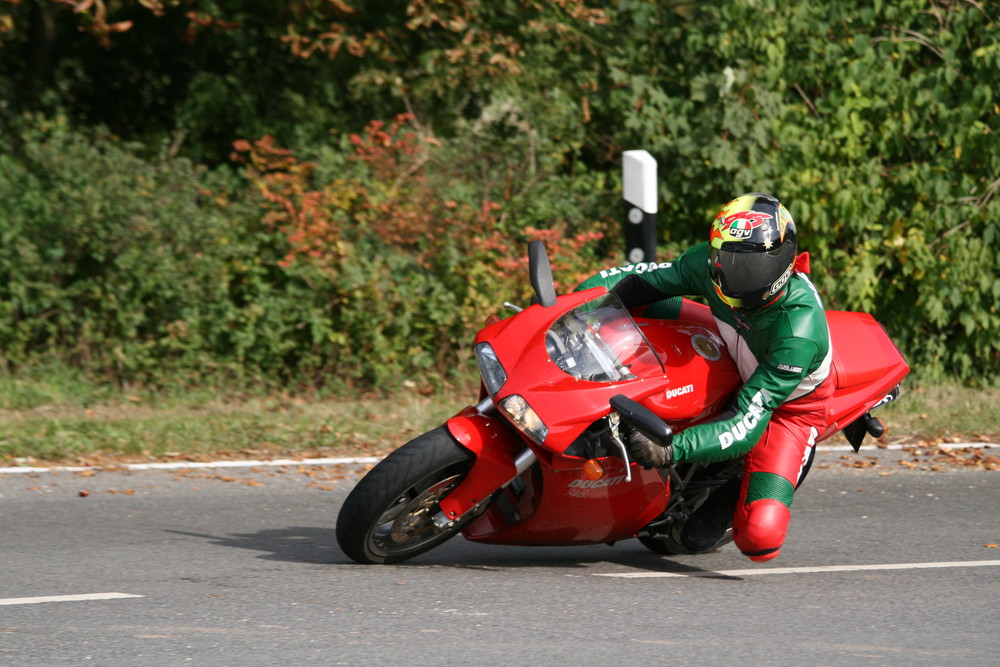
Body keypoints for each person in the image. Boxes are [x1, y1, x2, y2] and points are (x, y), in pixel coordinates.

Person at [577, 192, 832, 562]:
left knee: (761, 538)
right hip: (729, 337)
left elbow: (747, 422)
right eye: (729, 261)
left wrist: (670, 448)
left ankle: (744, 484)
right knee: (625, 304)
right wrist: (571, 304)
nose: (739, 277)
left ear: (786, 262)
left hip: (788, 407)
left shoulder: (798, 330)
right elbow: (636, 279)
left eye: (755, 267)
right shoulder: (711, 267)